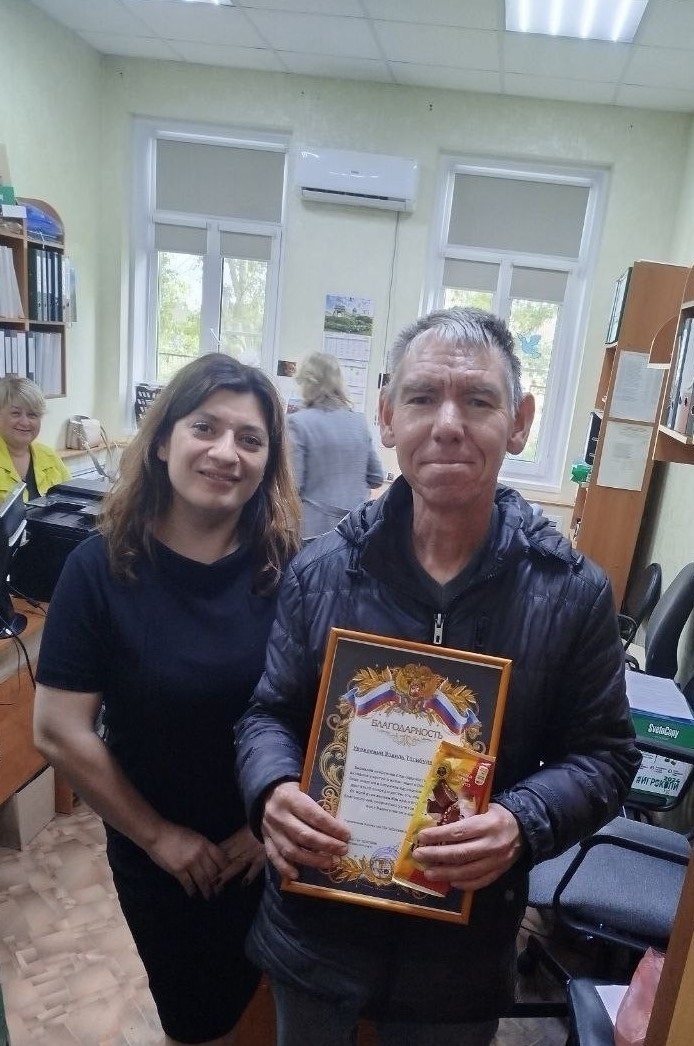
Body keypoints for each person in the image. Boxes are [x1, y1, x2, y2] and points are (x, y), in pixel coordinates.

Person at [235, 307, 641, 1046]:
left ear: (519, 423)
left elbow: (607, 757)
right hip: (317, 932)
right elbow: (268, 715)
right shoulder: (320, 572)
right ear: (388, 417)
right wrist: (273, 790)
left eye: (478, 400)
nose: (448, 424)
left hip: (460, 952)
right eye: (422, 398)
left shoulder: (574, 593)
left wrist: (521, 821)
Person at [33, 353, 301, 1046]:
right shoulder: (99, 567)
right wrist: (158, 837)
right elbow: (59, 729)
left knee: (271, 1008)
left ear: (268, 463)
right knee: (199, 1019)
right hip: (162, 857)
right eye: (204, 427)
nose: (226, 452)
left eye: (250, 439)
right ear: (161, 441)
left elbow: (325, 710)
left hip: (272, 845)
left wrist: (270, 825)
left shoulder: (291, 569)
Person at [288, 351, 384, 538]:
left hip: (314, 533)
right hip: (356, 530)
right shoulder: (359, 422)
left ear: (307, 383)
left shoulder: (298, 423)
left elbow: (292, 486)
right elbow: (376, 477)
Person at [0, 375, 70, 501]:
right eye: (16, 413)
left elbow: (72, 499)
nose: (25, 422)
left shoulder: (49, 457)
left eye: (32, 415)